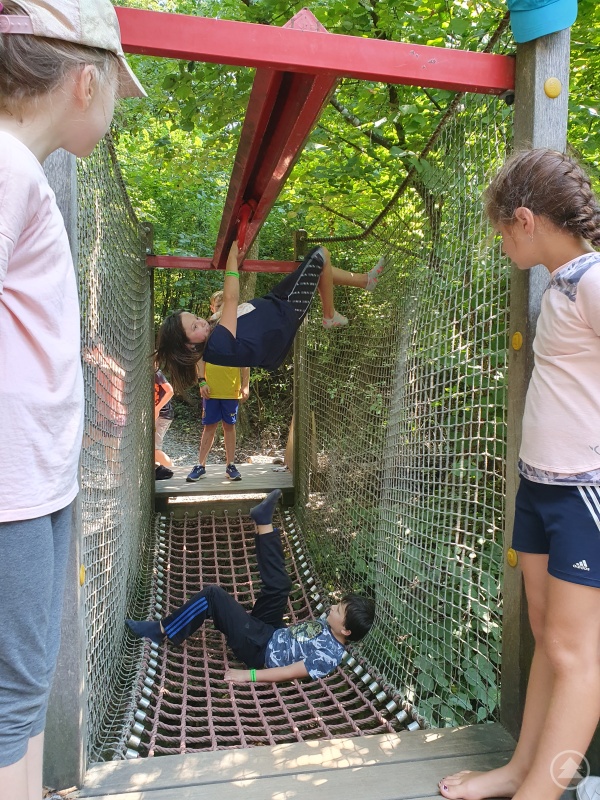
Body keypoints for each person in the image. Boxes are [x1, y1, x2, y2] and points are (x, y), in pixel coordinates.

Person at [0, 2, 144, 797]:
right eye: (119, 89)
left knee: (20, 691)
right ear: (86, 81)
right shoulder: (8, 168)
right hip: (12, 487)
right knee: (10, 694)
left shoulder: (23, 174)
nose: (117, 107)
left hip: (36, 483)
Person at [439, 149, 600, 800]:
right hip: (540, 486)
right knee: (544, 634)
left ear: (526, 220)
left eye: (503, 232)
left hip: (582, 491)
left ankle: (543, 790)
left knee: (574, 653)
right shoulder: (564, 281)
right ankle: (519, 773)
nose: (502, 244)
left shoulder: (591, 281)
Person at [127, 490, 375, 684]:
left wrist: (248, 675)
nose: (332, 607)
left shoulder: (328, 656)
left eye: (338, 610)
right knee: (280, 586)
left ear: (346, 631)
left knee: (213, 595)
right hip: (273, 632)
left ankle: (161, 630)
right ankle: (264, 521)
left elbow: (288, 672)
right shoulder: (331, 626)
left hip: (259, 649)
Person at [156, 242, 386, 396]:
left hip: (276, 300)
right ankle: (329, 315)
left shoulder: (213, 337)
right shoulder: (217, 345)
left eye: (196, 317)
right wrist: (232, 260)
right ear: (188, 344)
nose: (201, 322)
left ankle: (366, 281)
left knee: (317, 270)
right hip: (285, 312)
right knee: (320, 254)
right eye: (194, 326)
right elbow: (231, 297)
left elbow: (229, 311)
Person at [186, 290, 250, 482]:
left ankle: (230, 465)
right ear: (212, 307)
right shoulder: (207, 328)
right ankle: (200, 465)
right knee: (209, 426)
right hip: (211, 389)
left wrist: (245, 385)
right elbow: (199, 358)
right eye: (218, 303)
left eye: (226, 302)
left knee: (229, 426)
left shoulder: (238, 328)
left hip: (231, 388)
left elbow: (245, 360)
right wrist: (201, 381)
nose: (222, 305)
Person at [154, 369, 174, 480]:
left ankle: (172, 472)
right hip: (156, 415)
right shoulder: (145, 373)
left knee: (154, 448)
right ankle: (160, 473)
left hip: (163, 415)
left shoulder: (157, 373)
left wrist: (157, 409)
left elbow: (170, 391)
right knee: (151, 448)